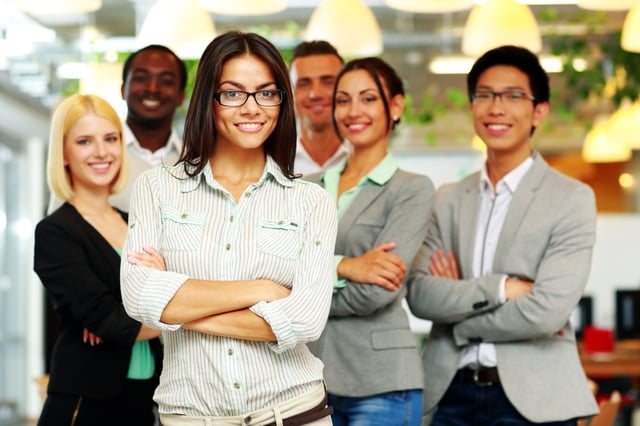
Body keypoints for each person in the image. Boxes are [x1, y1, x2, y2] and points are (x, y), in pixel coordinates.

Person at [120, 31, 338, 425]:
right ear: (209, 98)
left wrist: (175, 306)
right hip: (191, 416)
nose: (252, 108)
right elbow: (138, 298)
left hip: (293, 412)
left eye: (266, 93)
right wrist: (261, 292)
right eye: (233, 93)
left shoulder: (311, 201)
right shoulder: (157, 188)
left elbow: (305, 319)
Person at [406, 45, 599, 425]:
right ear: (473, 105)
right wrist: (502, 288)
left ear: (538, 111)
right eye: (485, 95)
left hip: (536, 400)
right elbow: (421, 295)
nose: (497, 108)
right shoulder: (447, 199)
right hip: (451, 395)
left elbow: (547, 312)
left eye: (513, 96)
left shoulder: (571, 198)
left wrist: (458, 319)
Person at [304, 57, 435, 426]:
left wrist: (301, 294)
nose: (353, 111)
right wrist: (346, 266)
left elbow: (379, 292)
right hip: (307, 383)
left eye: (368, 99)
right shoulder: (307, 187)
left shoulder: (411, 189)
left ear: (395, 106)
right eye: (343, 100)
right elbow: (276, 268)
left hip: (382, 384)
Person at [33, 94, 163, 425]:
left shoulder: (137, 222)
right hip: (85, 402)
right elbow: (114, 322)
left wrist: (136, 319)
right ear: (63, 153)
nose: (102, 152)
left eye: (110, 138)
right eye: (84, 141)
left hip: (146, 397)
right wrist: (168, 314)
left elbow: (173, 290)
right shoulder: (55, 231)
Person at [47, 44, 187, 213]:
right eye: (141, 78)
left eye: (166, 81)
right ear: (123, 89)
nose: (152, 89)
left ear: (181, 96)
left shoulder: (199, 163)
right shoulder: (94, 159)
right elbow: (57, 229)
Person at [290, 40, 352, 175]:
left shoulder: (363, 159)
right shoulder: (272, 164)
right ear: (291, 94)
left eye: (328, 82)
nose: (315, 94)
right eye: (304, 84)